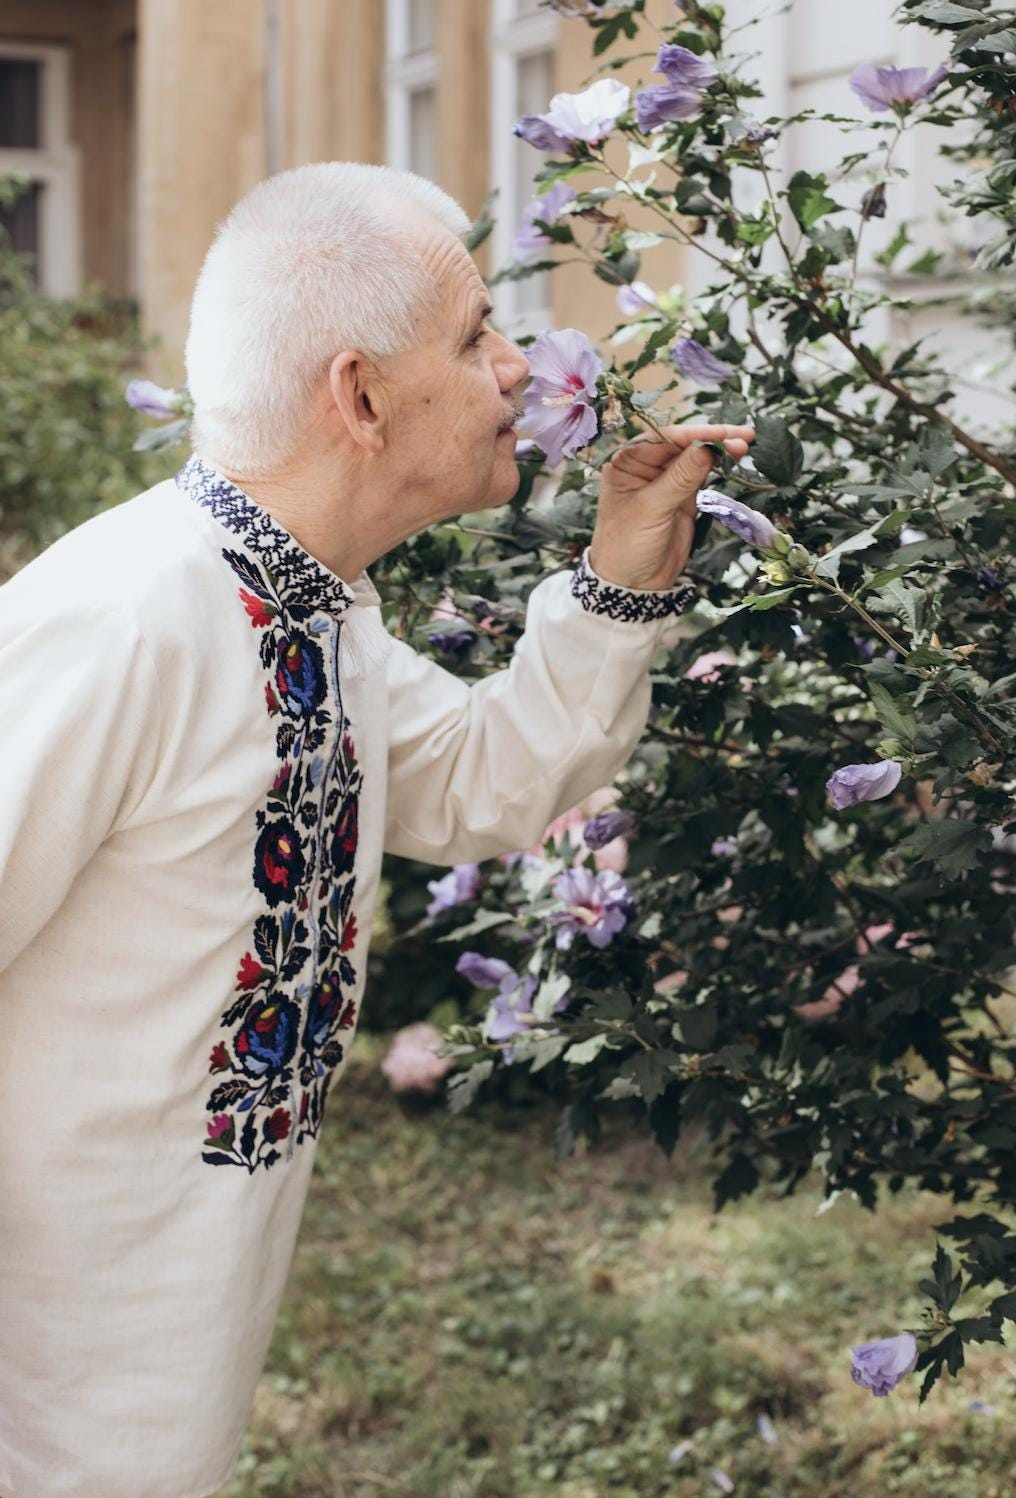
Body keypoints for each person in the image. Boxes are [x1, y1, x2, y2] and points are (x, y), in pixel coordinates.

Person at [0, 161, 753, 1498]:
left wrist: (628, 564)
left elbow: (480, 778)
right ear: (358, 395)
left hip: (171, 1340)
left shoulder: (317, 607)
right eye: (474, 336)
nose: (517, 368)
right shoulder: (117, 620)